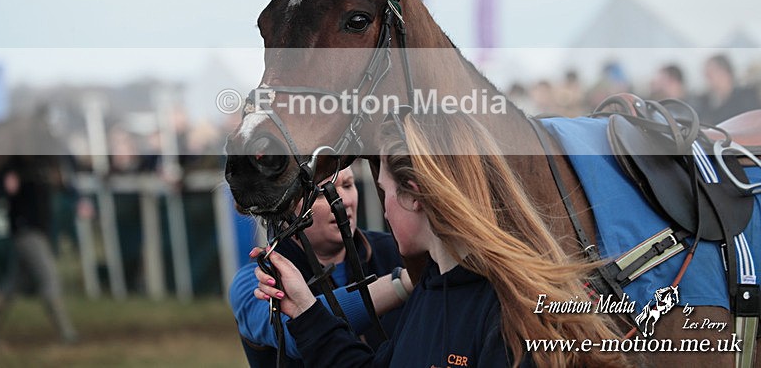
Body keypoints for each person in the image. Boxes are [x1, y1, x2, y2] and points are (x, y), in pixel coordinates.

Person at [254, 112, 627, 367]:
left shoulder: (514, 314)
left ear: (414, 195)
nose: (383, 210)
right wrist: (304, 307)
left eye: (383, 191)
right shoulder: (433, 287)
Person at [230, 166, 408, 367]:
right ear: (284, 205)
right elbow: (294, 333)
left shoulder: (399, 253)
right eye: (323, 191)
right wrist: (402, 285)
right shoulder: (256, 282)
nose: (345, 201)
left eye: (348, 185)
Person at [0, 154, 79, 346]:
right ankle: (67, 333)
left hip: (35, 231)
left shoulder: (44, 162)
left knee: (11, 284)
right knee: (49, 279)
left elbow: (64, 184)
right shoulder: (13, 166)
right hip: (27, 232)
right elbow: (1, 193)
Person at [693, 53, 760, 125]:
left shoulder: (746, 96)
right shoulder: (705, 102)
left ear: (725, 72)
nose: (708, 79)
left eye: (710, 74)